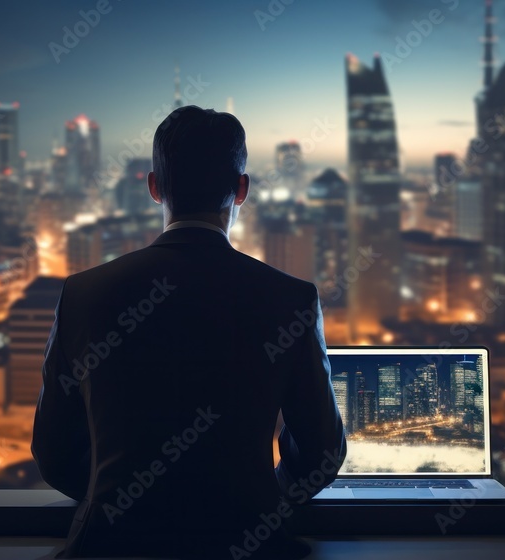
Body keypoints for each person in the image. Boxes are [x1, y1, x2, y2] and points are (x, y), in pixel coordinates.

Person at [32, 105, 346, 559]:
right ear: (241, 190)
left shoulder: (84, 294)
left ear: (155, 188)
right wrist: (262, 497)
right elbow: (320, 455)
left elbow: (54, 453)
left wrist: (127, 498)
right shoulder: (289, 299)